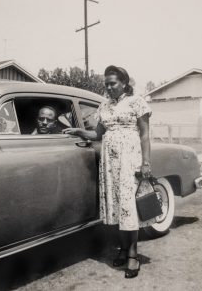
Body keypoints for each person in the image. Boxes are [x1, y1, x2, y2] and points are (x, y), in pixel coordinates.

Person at [63, 65, 153, 279]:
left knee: (128, 207)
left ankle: (133, 254)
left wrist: (146, 162)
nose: (109, 87)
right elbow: (97, 133)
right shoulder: (104, 105)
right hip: (109, 163)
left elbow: (145, 135)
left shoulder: (137, 102)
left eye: (112, 83)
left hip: (130, 160)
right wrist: (78, 131)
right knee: (116, 207)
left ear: (124, 82)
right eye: (106, 84)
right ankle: (123, 248)